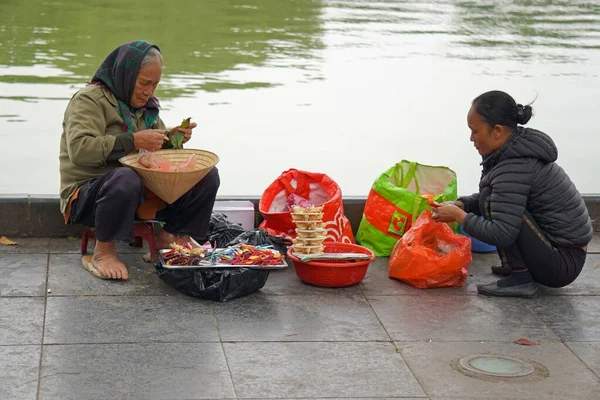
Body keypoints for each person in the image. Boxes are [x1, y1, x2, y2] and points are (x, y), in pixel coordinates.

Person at [59, 40, 220, 281]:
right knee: (126, 177)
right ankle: (102, 253)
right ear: (126, 74)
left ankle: (173, 235)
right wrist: (132, 141)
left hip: (138, 192)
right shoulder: (88, 100)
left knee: (206, 173)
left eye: (154, 84)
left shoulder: (146, 107)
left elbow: (154, 155)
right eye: (144, 83)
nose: (149, 91)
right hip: (88, 195)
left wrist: (171, 139)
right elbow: (80, 150)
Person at [432, 90, 592, 298]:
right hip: (563, 254)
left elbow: (500, 232)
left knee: (492, 201)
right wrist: (464, 204)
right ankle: (520, 267)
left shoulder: (514, 165)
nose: (471, 138)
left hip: (562, 263)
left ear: (497, 131)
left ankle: (522, 278)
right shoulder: (514, 150)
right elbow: (503, 198)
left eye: (475, 131)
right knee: (494, 200)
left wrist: (458, 216)